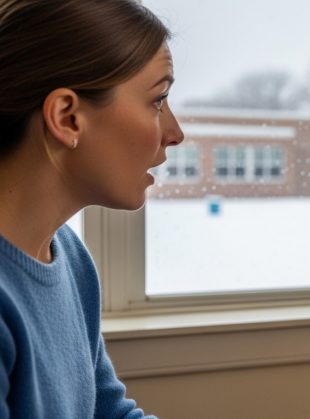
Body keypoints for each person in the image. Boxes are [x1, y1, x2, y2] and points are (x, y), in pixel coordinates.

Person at [0, 0, 183, 417]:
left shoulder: (70, 256)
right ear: (67, 118)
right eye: (158, 101)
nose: (175, 133)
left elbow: (106, 411)